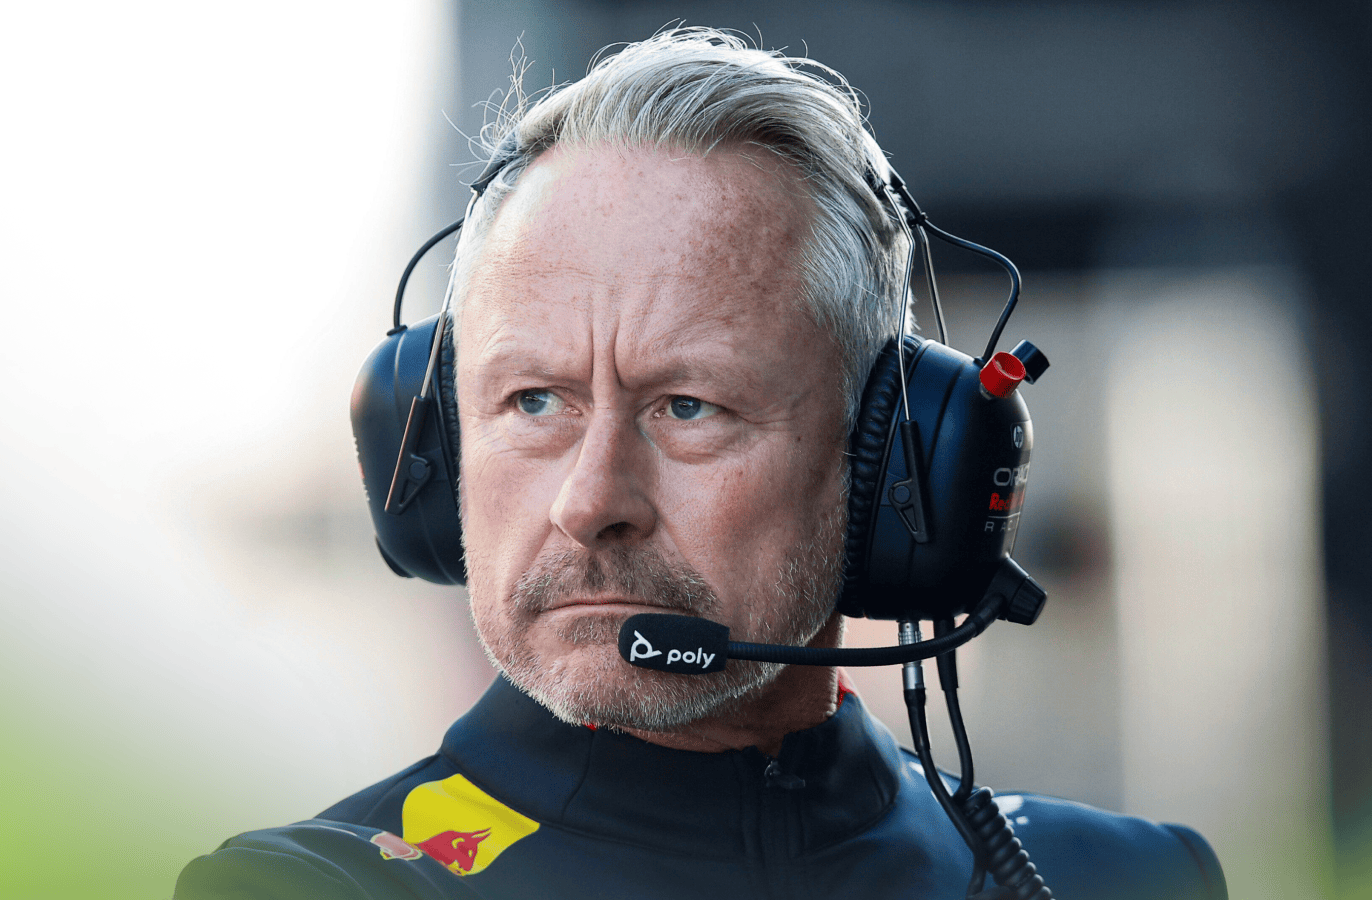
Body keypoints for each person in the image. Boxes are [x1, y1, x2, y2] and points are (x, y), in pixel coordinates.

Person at [175, 29, 1226, 900]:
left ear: (890, 467)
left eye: (688, 407)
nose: (591, 503)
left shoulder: (1127, 880)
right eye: (532, 401)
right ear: (436, 449)